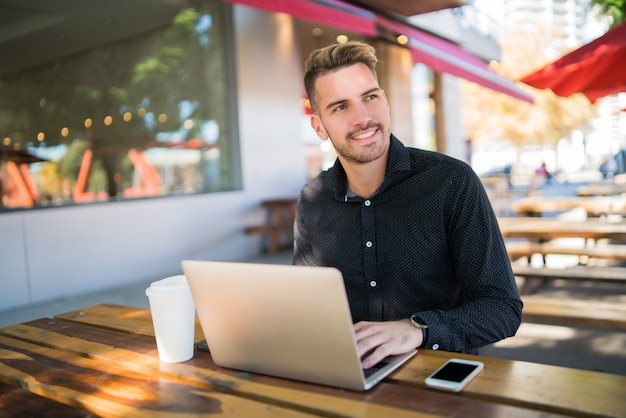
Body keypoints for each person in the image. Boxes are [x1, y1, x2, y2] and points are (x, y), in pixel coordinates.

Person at [293, 41, 522, 369]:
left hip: (436, 376)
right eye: (341, 107)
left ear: (384, 101)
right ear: (319, 126)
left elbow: (501, 309)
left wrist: (418, 328)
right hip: (349, 374)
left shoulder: (451, 182)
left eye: (370, 97)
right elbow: (307, 305)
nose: (363, 118)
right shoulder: (312, 200)